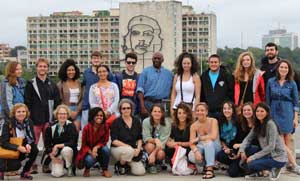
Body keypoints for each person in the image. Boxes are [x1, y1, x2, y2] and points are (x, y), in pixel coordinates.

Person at [24, 58, 60, 173]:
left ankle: (46, 165)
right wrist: (29, 118)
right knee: (33, 143)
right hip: (35, 119)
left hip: (48, 120)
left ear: (47, 68)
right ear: (36, 68)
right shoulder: (31, 83)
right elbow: (27, 102)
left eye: (45, 66)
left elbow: (57, 101)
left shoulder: (52, 84)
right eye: (40, 66)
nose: (42, 68)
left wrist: (54, 117)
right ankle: (32, 165)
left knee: (49, 144)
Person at [266, 59, 300, 174]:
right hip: (274, 111)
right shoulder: (271, 82)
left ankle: (288, 163)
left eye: (286, 67)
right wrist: (268, 117)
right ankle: (294, 165)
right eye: (281, 67)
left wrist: (295, 118)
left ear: (289, 69)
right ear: (278, 68)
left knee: (288, 139)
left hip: (288, 111)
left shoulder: (292, 83)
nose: (283, 69)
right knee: (279, 140)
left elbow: (296, 103)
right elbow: (268, 101)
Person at [239, 103, 287, 180]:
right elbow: (248, 139)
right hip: (268, 155)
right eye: (257, 111)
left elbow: (271, 146)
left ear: (267, 112)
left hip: (277, 157)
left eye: (262, 111)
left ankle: (276, 168)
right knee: (244, 163)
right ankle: (260, 173)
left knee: (251, 164)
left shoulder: (270, 124)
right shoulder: (258, 124)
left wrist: (254, 157)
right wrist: (242, 150)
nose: (259, 113)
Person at [0, 103, 38, 180]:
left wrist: (28, 144)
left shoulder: (29, 122)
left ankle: (25, 172)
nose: (21, 114)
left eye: (23, 111)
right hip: (9, 147)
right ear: (14, 113)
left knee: (34, 149)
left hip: (22, 145)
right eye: (19, 112)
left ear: (26, 113)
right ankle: (1, 170)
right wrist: (18, 147)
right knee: (15, 166)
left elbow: (32, 138)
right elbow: (3, 142)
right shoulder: (7, 124)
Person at [110, 99, 145, 176]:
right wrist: (129, 147)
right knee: (128, 150)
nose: (126, 110)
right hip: (118, 149)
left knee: (140, 172)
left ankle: (126, 164)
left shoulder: (136, 121)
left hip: (132, 151)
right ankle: (120, 165)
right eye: (124, 108)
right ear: (120, 110)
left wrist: (138, 149)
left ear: (131, 109)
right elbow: (114, 141)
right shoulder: (116, 122)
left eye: (128, 108)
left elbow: (139, 137)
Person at [81, 51, 115, 129]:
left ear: (101, 60)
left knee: (100, 128)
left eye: (98, 58)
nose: (96, 60)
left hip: (103, 106)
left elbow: (112, 86)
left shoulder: (107, 73)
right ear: (91, 60)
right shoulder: (86, 72)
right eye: (94, 58)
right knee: (85, 128)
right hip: (87, 105)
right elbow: (83, 86)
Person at [43, 105, 78, 177]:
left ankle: (69, 166)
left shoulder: (71, 125)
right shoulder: (51, 126)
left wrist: (57, 145)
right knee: (57, 174)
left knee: (66, 150)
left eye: (64, 114)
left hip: (68, 151)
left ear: (67, 115)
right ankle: (61, 164)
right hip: (56, 153)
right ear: (56, 115)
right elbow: (47, 144)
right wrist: (52, 156)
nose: (62, 116)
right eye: (60, 114)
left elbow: (73, 142)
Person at [189, 102, 221, 179]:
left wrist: (199, 138)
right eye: (198, 110)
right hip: (201, 146)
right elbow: (191, 143)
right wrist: (196, 151)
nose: (200, 112)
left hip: (214, 146)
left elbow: (213, 136)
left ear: (206, 112)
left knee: (208, 142)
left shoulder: (213, 121)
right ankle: (205, 166)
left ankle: (210, 169)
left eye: (202, 110)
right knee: (191, 155)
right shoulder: (193, 126)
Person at [76, 107, 111, 177]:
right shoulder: (86, 128)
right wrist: (91, 152)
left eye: (101, 116)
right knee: (89, 160)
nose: (99, 117)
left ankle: (105, 170)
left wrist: (96, 147)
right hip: (88, 151)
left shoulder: (105, 126)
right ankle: (87, 169)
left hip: (100, 150)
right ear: (92, 116)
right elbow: (84, 145)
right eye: (97, 115)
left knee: (106, 150)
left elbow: (105, 141)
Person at [136, 52, 173, 119]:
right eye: (155, 58)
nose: (156, 60)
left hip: (161, 103)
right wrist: (142, 106)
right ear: (152, 59)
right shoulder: (145, 71)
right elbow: (140, 89)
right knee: (147, 125)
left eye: (159, 58)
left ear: (162, 60)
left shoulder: (169, 74)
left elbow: (174, 88)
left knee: (160, 126)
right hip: (148, 103)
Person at [201, 54, 234, 119]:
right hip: (208, 112)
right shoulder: (204, 76)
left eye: (215, 62)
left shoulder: (227, 75)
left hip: (223, 112)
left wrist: (227, 106)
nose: (213, 64)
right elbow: (202, 93)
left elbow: (231, 93)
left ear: (220, 63)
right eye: (211, 62)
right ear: (208, 63)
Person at [142, 104, 171, 174]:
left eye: (159, 112)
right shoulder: (146, 121)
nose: (157, 113)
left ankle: (158, 163)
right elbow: (146, 138)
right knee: (150, 146)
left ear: (162, 113)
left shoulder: (167, 123)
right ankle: (150, 164)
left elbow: (162, 143)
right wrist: (155, 140)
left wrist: (153, 154)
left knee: (160, 153)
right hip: (148, 145)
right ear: (151, 113)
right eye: (155, 111)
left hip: (160, 147)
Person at [57, 59, 83, 132]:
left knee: (76, 132)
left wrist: (77, 111)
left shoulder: (80, 83)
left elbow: (82, 99)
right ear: (65, 71)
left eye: (73, 70)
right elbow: (60, 100)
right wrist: (68, 111)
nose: (71, 72)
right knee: (65, 133)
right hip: (65, 110)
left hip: (77, 110)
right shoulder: (60, 84)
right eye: (69, 70)